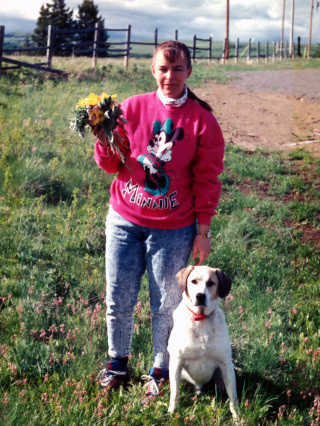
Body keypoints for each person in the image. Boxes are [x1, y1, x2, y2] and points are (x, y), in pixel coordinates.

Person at [93, 40, 225, 404]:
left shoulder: (202, 120)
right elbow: (111, 164)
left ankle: (160, 369)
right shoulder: (131, 108)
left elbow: (208, 178)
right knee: (118, 295)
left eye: (178, 69)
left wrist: (202, 231)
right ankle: (117, 362)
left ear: (189, 72)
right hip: (124, 218)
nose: (170, 76)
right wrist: (104, 139)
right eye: (163, 69)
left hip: (173, 226)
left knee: (166, 301)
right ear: (153, 70)